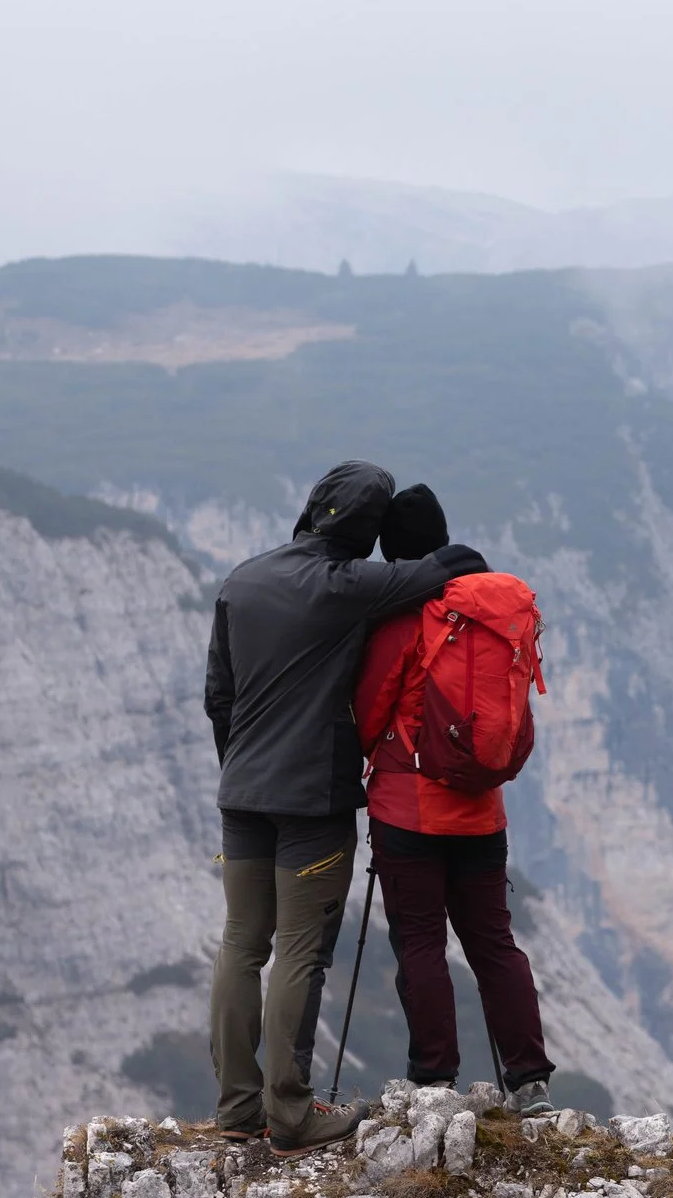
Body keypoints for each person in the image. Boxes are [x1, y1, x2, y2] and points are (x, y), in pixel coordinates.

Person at [204, 460, 487, 1158]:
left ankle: (237, 1107)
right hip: (312, 800)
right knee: (300, 950)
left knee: (242, 944)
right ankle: (291, 1115)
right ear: (366, 532)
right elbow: (453, 564)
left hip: (242, 793)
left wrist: (243, 768)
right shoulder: (349, 584)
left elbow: (219, 697)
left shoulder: (241, 580)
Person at [354, 482, 557, 1114]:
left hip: (408, 811)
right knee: (493, 942)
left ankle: (434, 1078)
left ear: (395, 556)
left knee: (420, 942)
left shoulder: (409, 618)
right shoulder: (493, 615)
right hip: (481, 812)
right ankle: (530, 1079)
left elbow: (368, 714)